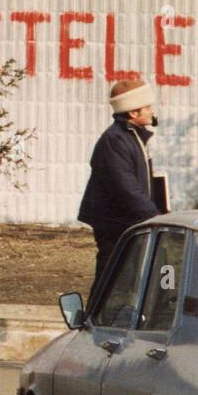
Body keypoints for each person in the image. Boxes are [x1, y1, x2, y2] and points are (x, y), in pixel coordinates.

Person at [77, 79, 162, 298]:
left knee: (126, 278)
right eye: (147, 107)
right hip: (115, 224)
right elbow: (125, 187)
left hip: (128, 220)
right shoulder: (115, 140)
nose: (152, 110)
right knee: (113, 277)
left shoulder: (131, 137)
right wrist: (153, 216)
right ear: (133, 113)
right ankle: (95, 322)